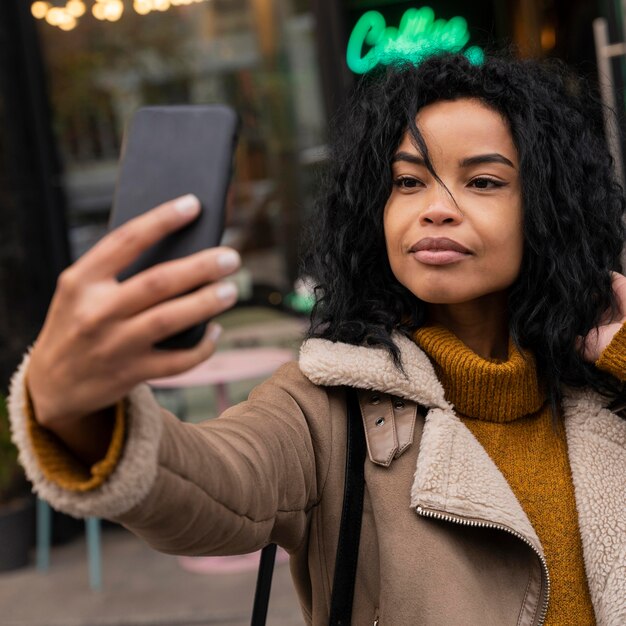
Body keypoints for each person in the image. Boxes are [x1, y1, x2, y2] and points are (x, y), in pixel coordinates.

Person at [7, 53, 626, 625]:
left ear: (548, 208)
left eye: (483, 182)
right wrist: (78, 411)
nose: (435, 208)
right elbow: (209, 484)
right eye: (408, 182)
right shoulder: (324, 405)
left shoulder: (601, 386)